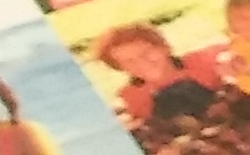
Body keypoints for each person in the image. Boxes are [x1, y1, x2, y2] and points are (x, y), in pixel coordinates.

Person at [93, 23, 228, 135]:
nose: (142, 62)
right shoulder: (133, 95)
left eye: (146, 52)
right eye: (129, 61)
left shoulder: (203, 60)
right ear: (120, 68)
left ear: (164, 47)